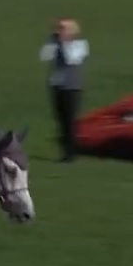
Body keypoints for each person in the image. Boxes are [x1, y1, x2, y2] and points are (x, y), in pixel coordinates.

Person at [39, 18, 89, 162]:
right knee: (60, 120)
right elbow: (44, 56)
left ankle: (71, 153)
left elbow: (71, 58)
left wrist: (64, 43)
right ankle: (64, 151)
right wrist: (52, 42)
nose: (59, 31)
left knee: (70, 120)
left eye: (62, 28)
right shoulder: (56, 44)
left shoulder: (80, 45)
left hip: (72, 87)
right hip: (57, 85)